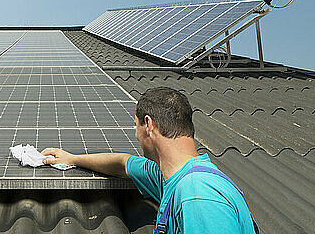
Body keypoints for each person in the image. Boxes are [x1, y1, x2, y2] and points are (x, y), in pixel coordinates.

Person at [42, 87, 259, 234]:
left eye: (135, 126)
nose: (135, 135)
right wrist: (72, 158)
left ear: (149, 125)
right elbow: (122, 163)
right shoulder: (170, 177)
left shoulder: (198, 196)